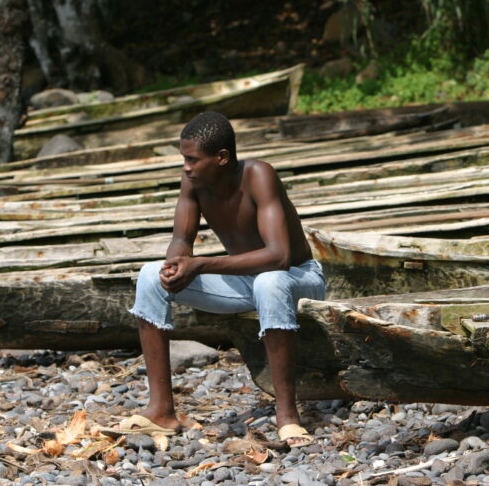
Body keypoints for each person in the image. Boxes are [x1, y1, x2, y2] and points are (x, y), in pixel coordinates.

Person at [102, 111, 325, 448]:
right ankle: (161, 411)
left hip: (296, 278)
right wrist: (174, 265)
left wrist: (202, 263)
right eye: (183, 159)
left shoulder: (258, 175)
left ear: (222, 158)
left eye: (192, 159)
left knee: (269, 281)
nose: (186, 167)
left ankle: (287, 416)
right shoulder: (194, 183)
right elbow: (181, 241)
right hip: (244, 282)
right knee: (150, 275)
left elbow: (278, 255)